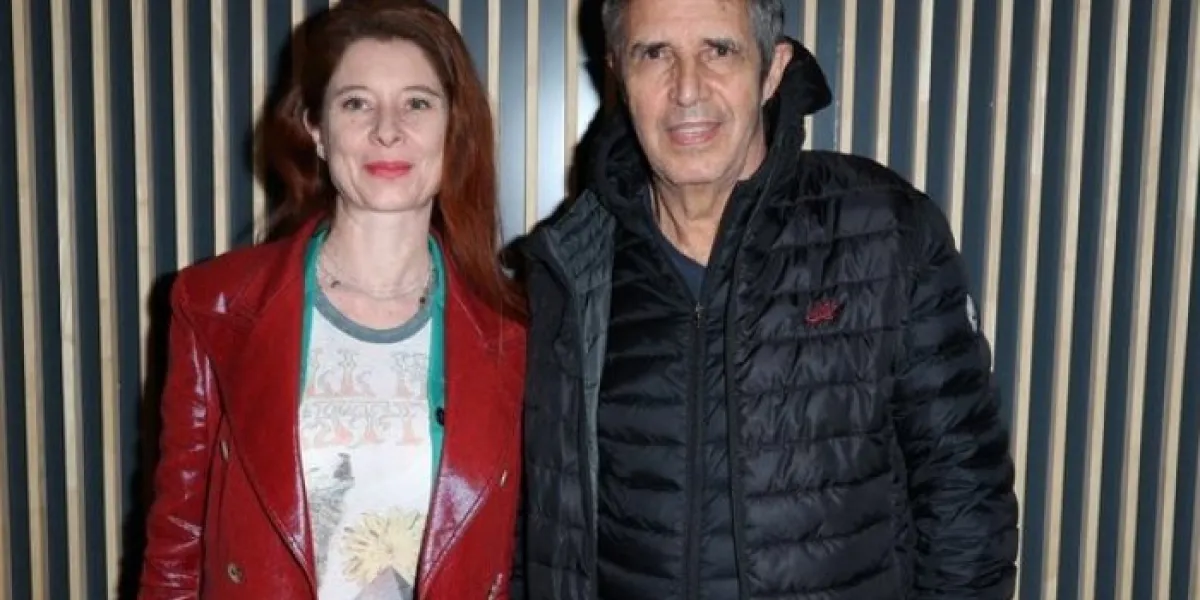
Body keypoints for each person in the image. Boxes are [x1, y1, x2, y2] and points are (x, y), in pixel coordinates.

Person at [512, 0, 1019, 598]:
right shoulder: (567, 270)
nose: (687, 89)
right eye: (656, 54)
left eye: (718, 50)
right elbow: (540, 531)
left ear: (773, 70)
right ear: (619, 73)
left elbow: (965, 502)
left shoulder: (884, 232)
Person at [138, 1, 526, 598]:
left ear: (455, 129)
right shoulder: (215, 306)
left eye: (417, 103)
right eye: (356, 103)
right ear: (317, 129)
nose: (387, 129)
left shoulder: (514, 332)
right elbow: (177, 538)